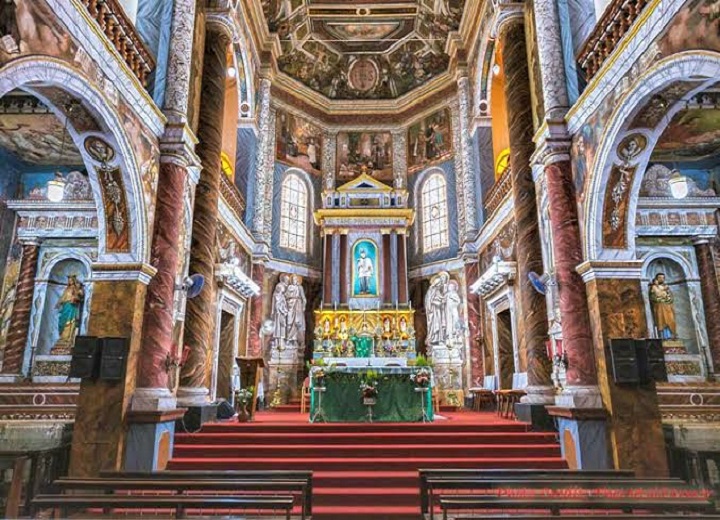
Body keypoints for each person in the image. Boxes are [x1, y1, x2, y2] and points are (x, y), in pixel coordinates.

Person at [51, 274, 84, 354]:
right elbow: (63, 297)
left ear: (73, 281)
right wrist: (58, 303)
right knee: (62, 321)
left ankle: (68, 339)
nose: (69, 281)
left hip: (71, 306)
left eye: (70, 280)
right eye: (68, 280)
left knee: (70, 321)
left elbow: (81, 296)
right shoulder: (67, 289)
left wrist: (77, 295)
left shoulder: (76, 289)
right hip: (65, 306)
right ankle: (62, 338)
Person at [649, 272, 676, 339]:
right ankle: (664, 336)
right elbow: (654, 297)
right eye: (660, 277)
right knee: (662, 321)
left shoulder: (666, 287)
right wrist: (662, 296)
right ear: (656, 279)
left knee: (671, 320)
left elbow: (670, 297)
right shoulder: (654, 287)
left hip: (668, 307)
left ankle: (672, 335)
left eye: (663, 277)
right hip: (660, 307)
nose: (661, 279)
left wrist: (668, 298)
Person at [285, 275, 306, 344]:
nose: (294, 280)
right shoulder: (289, 287)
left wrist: (304, 306)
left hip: (298, 305)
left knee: (297, 322)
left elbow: (303, 298)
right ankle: (288, 338)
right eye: (293, 279)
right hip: (290, 305)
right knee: (289, 321)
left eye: (296, 279)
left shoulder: (300, 287)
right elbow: (285, 296)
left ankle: (295, 339)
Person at [271, 275, 290, 343]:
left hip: (282, 313)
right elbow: (277, 305)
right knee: (278, 326)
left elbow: (284, 304)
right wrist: (282, 310)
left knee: (283, 326)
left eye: (288, 280)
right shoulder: (277, 296)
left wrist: (285, 310)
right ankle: (277, 341)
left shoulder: (282, 296)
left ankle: (281, 341)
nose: (287, 281)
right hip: (278, 313)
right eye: (286, 279)